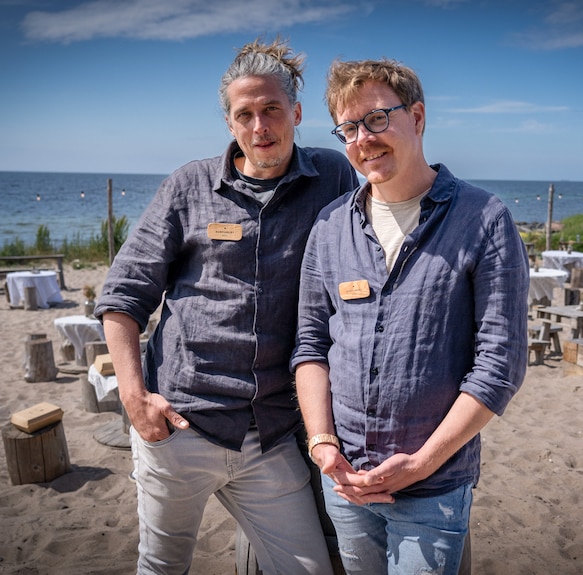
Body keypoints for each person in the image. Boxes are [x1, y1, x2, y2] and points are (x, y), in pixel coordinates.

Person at [94, 38, 358, 575]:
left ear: (296, 113)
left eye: (271, 110)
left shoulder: (332, 178)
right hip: (181, 427)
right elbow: (123, 295)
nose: (260, 126)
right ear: (229, 122)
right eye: (245, 114)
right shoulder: (189, 186)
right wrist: (134, 398)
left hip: (274, 435)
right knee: (162, 567)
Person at [292, 58, 529, 574]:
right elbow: (310, 345)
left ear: (417, 118)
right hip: (347, 479)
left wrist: (422, 463)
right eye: (349, 128)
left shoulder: (485, 220)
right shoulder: (331, 227)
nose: (363, 139)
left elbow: (500, 365)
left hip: (435, 485)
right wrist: (322, 441)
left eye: (377, 119)